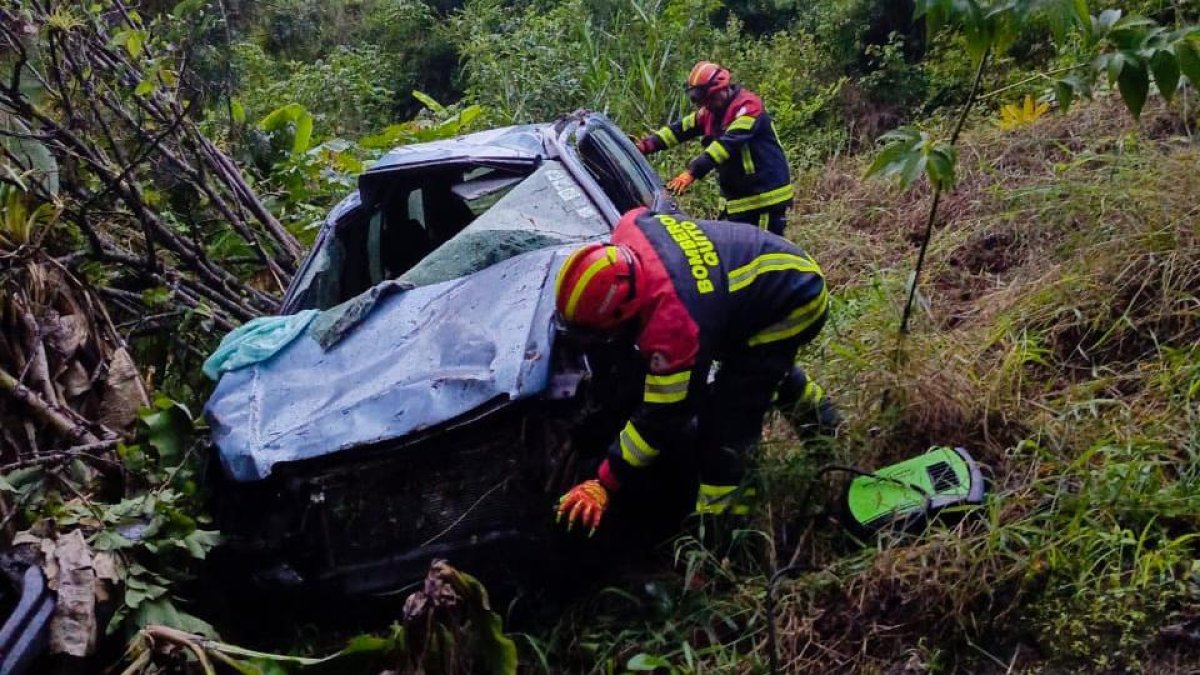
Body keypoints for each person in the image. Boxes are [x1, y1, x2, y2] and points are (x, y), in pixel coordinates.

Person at [553, 207, 837, 534]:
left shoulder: (674, 325)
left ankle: (725, 529)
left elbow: (663, 417)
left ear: (624, 312)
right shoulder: (630, 228)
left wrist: (605, 481)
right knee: (767, 372)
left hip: (796, 298)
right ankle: (829, 429)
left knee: (730, 421)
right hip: (769, 271)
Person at [635, 61, 793, 236]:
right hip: (739, 201)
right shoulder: (711, 112)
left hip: (764, 198)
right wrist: (646, 145)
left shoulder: (748, 107)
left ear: (720, 91)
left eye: (708, 100)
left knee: (763, 248)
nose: (705, 106)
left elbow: (726, 145)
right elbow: (679, 130)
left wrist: (692, 172)